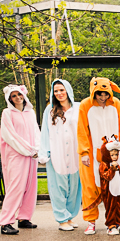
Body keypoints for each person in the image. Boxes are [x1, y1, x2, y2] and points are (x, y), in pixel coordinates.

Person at [78, 76, 120, 236]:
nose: (102, 97)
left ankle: (117, 220)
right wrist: (84, 152)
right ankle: (91, 222)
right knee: (90, 187)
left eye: (106, 94)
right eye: (99, 94)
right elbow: (82, 130)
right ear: (93, 92)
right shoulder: (85, 105)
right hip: (93, 154)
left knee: (115, 187)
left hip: (115, 154)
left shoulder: (117, 104)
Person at [39, 79, 82, 231]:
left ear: (68, 90)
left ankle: (69, 216)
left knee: (75, 187)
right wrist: (43, 152)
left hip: (75, 152)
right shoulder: (49, 110)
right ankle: (61, 218)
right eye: (56, 91)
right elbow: (44, 132)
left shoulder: (78, 108)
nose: (59, 93)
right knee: (58, 187)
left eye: (61, 90)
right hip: (57, 153)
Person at [0, 84, 39, 235]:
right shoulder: (7, 113)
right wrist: (28, 150)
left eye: (19, 94)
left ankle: (24, 218)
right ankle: (5, 222)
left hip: (31, 155)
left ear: (24, 95)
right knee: (15, 188)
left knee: (30, 186)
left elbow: (36, 132)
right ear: (10, 99)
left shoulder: (31, 113)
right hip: (16, 155)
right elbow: (10, 136)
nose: (18, 98)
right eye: (14, 96)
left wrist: (37, 150)